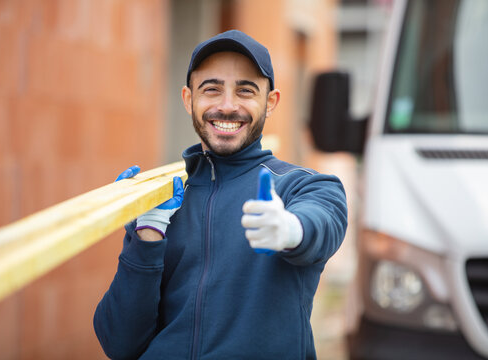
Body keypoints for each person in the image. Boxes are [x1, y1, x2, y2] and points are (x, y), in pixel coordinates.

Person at [94, 30, 348, 360]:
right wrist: (146, 237)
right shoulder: (164, 200)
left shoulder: (303, 187)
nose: (227, 106)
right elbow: (120, 344)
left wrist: (290, 230)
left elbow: (323, 222)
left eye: (245, 91)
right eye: (211, 89)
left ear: (270, 102)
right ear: (188, 99)